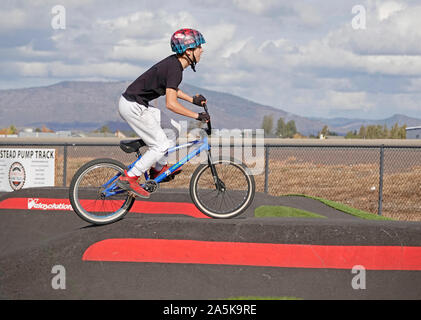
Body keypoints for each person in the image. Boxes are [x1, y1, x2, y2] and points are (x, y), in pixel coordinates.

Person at [117, 28, 209, 198]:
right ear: (188, 51)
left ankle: (158, 170)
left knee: (173, 129)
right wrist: (197, 116)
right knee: (160, 145)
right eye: (199, 47)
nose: (202, 50)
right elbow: (171, 104)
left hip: (137, 104)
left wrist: (192, 100)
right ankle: (129, 178)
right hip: (133, 106)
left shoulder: (174, 66)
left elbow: (171, 89)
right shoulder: (175, 68)